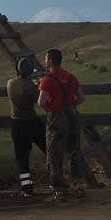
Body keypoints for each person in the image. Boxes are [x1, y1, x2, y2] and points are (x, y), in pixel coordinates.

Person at [37, 48, 86, 199]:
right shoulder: (70, 77)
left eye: (46, 59)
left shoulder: (47, 80)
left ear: (51, 61)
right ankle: (78, 184)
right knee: (74, 151)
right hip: (72, 116)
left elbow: (41, 102)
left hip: (56, 118)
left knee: (54, 153)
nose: (45, 61)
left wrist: (51, 109)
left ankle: (59, 188)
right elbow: (81, 97)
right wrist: (70, 106)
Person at [7, 56, 46, 197]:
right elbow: (40, 100)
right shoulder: (30, 86)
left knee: (22, 158)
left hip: (16, 124)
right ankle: (56, 178)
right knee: (48, 149)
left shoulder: (10, 83)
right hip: (31, 121)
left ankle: (26, 188)